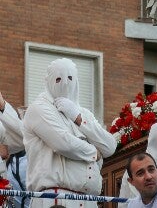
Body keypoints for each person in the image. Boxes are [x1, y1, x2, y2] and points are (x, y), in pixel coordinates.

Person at [23, 58, 117, 207]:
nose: (66, 84)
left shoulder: (84, 113)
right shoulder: (38, 108)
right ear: (48, 81)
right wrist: (94, 152)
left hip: (89, 200)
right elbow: (63, 143)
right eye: (58, 79)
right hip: (56, 198)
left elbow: (110, 146)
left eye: (70, 78)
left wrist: (78, 118)